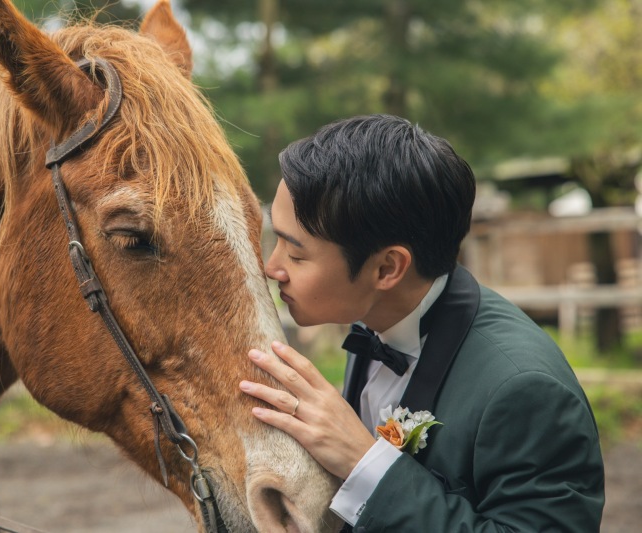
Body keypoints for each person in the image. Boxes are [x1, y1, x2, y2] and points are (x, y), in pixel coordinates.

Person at [239, 114, 604, 532]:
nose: (271, 267)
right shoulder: (378, 320)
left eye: (297, 254)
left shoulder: (525, 389)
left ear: (387, 269)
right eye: (276, 240)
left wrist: (365, 463)